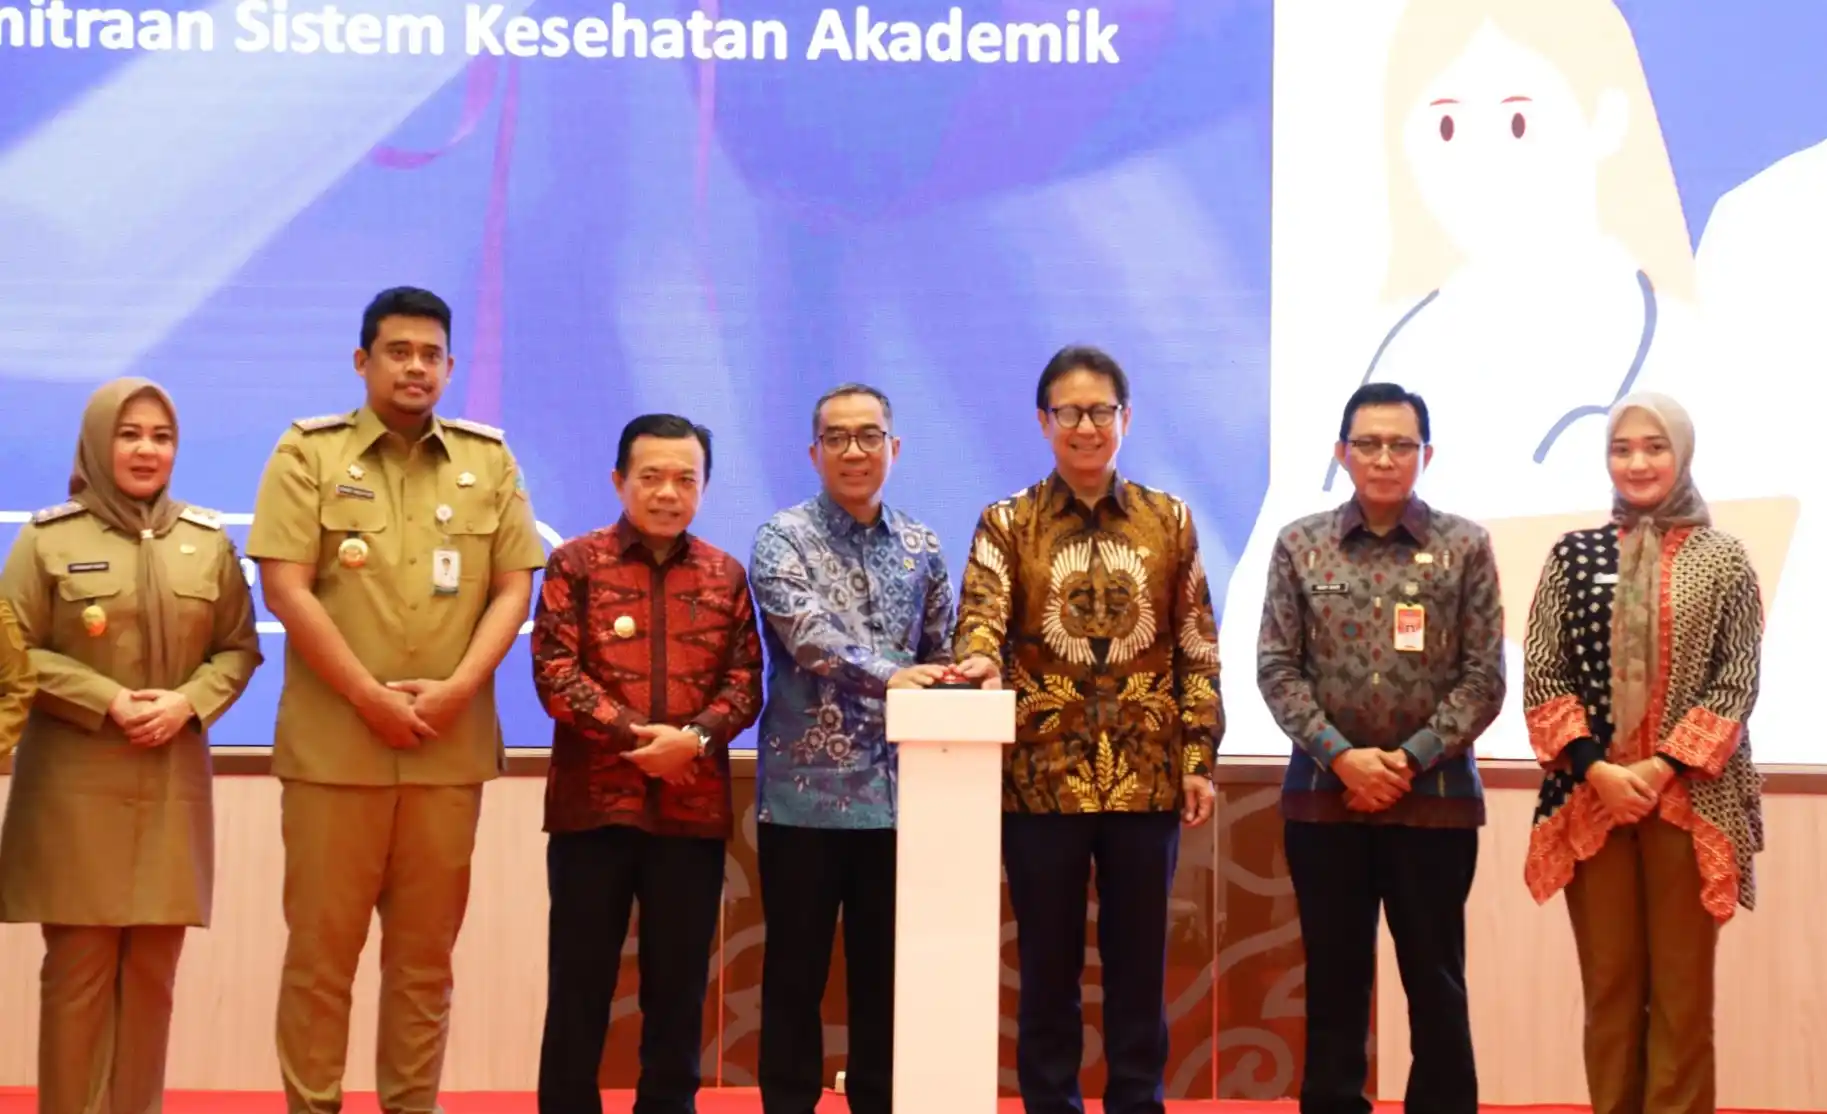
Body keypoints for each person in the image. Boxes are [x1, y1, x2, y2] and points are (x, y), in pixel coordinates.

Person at [246, 287, 547, 1114]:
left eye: (430, 355)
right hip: (335, 751)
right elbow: (285, 588)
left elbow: (513, 588)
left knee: (425, 963)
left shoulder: (488, 460)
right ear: (363, 360)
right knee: (321, 960)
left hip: (445, 752)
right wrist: (366, 696)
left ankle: (412, 1105)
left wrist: (457, 691)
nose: (416, 367)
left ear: (449, 365)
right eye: (398, 351)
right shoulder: (308, 454)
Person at [952, 344, 1221, 1114]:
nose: (1085, 426)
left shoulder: (1169, 520)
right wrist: (977, 658)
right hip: (1041, 779)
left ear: (1125, 418)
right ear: (1043, 422)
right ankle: (1051, 1103)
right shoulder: (1007, 522)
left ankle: (1137, 1101)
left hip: (1146, 778)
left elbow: (1196, 645)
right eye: (1068, 412)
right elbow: (981, 615)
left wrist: (1197, 755)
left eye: (1100, 411)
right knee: (1047, 969)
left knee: (1138, 967)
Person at [0, 377, 262, 1114]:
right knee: (77, 978)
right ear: (96, 442)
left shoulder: (207, 542)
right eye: (129, 434)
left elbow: (238, 649)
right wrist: (105, 698)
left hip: (170, 784)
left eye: (161, 436)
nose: (147, 450)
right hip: (74, 786)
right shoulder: (47, 539)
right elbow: (13, 651)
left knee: (153, 980)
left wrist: (188, 702)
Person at [1256, 382, 1504, 1114]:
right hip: (1323, 799)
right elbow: (1276, 668)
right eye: (1368, 444)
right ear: (1342, 453)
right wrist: (1341, 758)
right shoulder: (1299, 545)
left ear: (1426, 454)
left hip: (1433, 802)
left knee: (1435, 980)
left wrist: (1408, 759)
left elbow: (1484, 677)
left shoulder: (1464, 546)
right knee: (1334, 980)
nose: (1385, 458)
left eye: (1401, 444)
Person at [1522, 393, 1764, 1114]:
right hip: (1590, 799)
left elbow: (1735, 680)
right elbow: (1544, 672)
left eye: (1654, 447)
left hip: (1689, 800)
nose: (1637, 463)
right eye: (1621, 448)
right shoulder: (1572, 555)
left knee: (1683, 997)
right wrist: (1598, 769)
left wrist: (1660, 768)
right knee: (1610, 991)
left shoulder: (1724, 558)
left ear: (1681, 453)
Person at [531, 413, 763, 1114]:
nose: (668, 492)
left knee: (679, 986)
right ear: (619, 481)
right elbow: (555, 673)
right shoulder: (575, 564)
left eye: (685, 479)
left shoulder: (725, 575)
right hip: (592, 808)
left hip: (691, 810)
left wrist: (692, 740)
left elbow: (745, 682)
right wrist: (641, 738)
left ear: (704, 487)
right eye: (651, 477)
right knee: (580, 982)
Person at [749, 384, 956, 1114]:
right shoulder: (781, 539)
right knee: (794, 975)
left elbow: (944, 652)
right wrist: (893, 676)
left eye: (869, 436)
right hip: (802, 799)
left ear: (893, 448)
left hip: (902, 799)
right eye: (836, 437)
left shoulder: (923, 547)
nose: (854, 451)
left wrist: (967, 671)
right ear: (814, 453)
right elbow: (807, 638)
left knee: (888, 977)